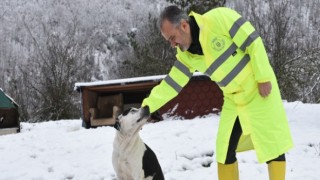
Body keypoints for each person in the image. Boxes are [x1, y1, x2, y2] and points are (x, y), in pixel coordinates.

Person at [141, 5, 293, 180]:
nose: (172, 44)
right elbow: (172, 83)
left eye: (172, 38)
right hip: (233, 99)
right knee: (224, 149)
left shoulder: (219, 18)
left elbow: (252, 41)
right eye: (169, 40)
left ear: (184, 25)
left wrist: (263, 77)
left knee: (272, 145)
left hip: (259, 90)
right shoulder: (185, 55)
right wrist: (147, 107)